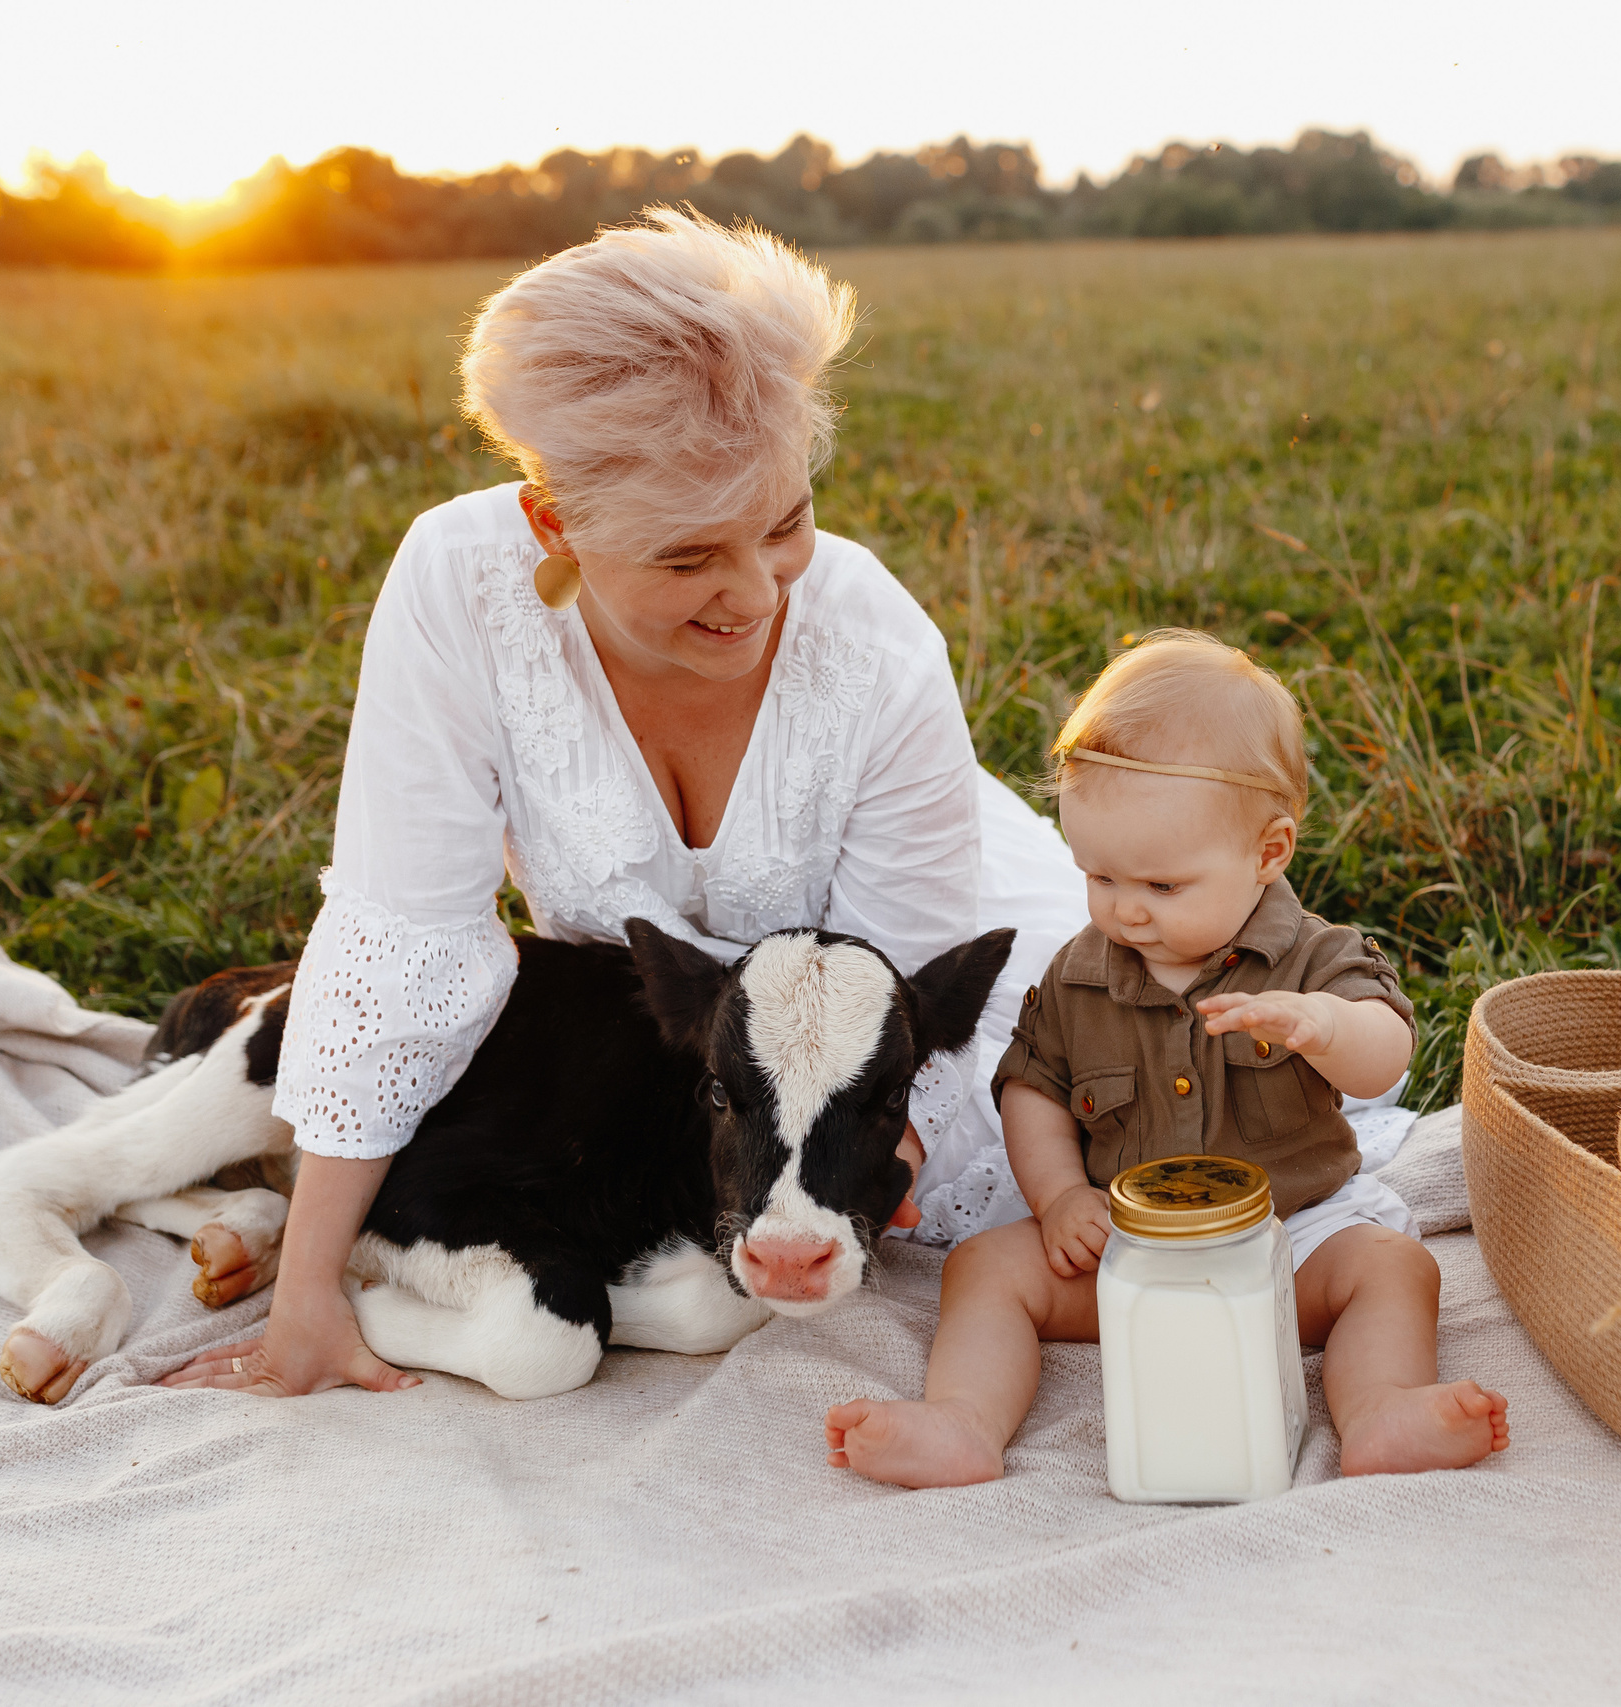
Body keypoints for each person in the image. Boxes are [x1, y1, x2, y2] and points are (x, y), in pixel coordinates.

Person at [162, 211, 1082, 1398]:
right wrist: (307, 1299)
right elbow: (405, 940)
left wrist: (842, 1189)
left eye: (785, 523)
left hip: (918, 994)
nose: (754, 593)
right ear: (555, 525)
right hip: (658, 1059)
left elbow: (890, 1009)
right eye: (688, 556)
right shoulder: (458, 586)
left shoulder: (877, 649)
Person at [825, 632, 1509, 1485]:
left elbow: (1385, 1055)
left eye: (1161, 885)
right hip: (1126, 1250)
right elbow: (1033, 1090)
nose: (1126, 911)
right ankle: (962, 1420)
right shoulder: (1079, 976)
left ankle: (1382, 1409)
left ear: (1269, 852)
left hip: (1289, 1242)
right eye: (1099, 876)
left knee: (1393, 1268)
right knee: (984, 1267)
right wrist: (1061, 1196)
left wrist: (1325, 1026)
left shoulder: (1315, 958)